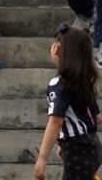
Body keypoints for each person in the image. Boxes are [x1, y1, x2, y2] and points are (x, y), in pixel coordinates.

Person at [33, 24, 102, 180]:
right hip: (90, 146)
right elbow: (96, 117)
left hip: (77, 149)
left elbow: (56, 121)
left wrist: (42, 158)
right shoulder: (82, 83)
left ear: (57, 49)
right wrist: (63, 142)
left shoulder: (59, 85)